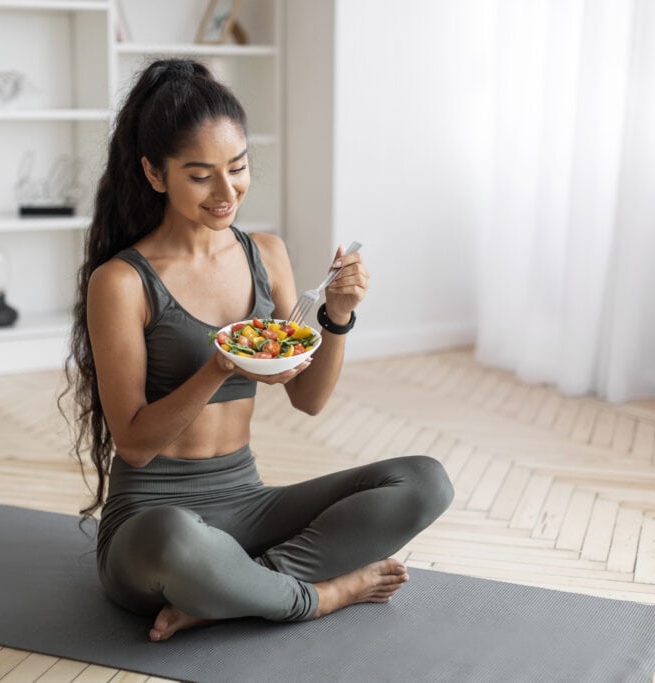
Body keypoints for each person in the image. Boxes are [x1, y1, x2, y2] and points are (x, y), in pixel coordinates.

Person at [63, 58, 454, 642]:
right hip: (153, 520)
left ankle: (234, 591)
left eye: (238, 168)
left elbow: (310, 398)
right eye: (200, 176)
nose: (226, 193)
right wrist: (221, 365)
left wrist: (338, 316)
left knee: (425, 482)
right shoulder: (121, 282)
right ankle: (317, 596)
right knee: (177, 539)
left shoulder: (265, 254)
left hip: (247, 503)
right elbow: (136, 444)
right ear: (154, 173)